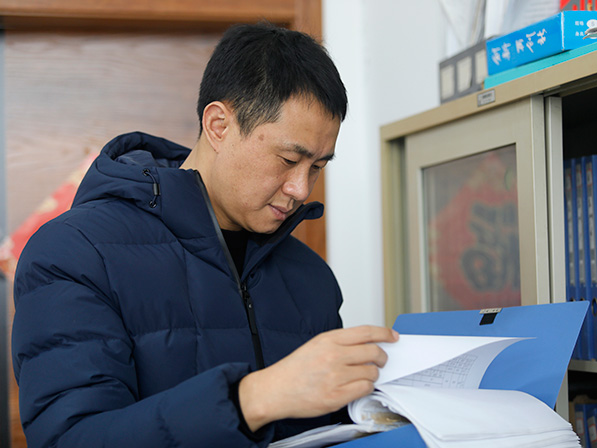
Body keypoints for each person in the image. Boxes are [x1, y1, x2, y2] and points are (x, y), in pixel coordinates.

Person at [11, 22, 398, 447]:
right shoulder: (73, 252)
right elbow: (70, 438)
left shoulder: (311, 276)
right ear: (218, 125)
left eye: (317, 167)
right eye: (289, 160)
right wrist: (253, 399)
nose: (301, 190)